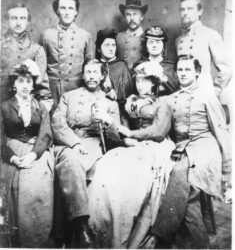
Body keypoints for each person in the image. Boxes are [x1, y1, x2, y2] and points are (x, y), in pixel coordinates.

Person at [138, 55, 231, 249]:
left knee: (179, 172)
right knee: (188, 192)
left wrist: (227, 170)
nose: (183, 73)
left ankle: (158, 236)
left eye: (187, 70)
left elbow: (221, 132)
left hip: (205, 148)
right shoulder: (171, 99)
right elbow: (151, 114)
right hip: (181, 149)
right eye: (180, 70)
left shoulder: (207, 96)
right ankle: (201, 244)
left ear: (197, 72)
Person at [88, 60, 175, 248]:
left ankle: (125, 232)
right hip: (134, 146)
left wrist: (131, 134)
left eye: (145, 81)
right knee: (108, 164)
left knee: (135, 178)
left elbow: (159, 132)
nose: (140, 85)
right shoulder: (131, 101)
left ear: (153, 83)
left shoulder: (163, 104)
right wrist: (126, 137)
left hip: (156, 147)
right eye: (138, 80)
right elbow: (123, 130)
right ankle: (103, 227)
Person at [51, 59, 122, 248]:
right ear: (83, 75)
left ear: (102, 76)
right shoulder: (69, 96)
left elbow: (116, 139)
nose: (91, 76)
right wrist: (74, 143)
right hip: (68, 143)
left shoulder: (109, 103)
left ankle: (71, 234)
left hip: (94, 145)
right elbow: (57, 124)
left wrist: (107, 122)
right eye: (88, 72)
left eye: (95, 73)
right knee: (71, 162)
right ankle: (81, 226)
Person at [0, 64, 54, 247]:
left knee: (39, 183)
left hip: (36, 150)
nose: (24, 85)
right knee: (12, 183)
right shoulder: (4, 107)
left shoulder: (40, 107)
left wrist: (33, 155)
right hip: (11, 150)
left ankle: (37, 240)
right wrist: (13, 157)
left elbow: (45, 134)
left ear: (33, 85)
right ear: (14, 84)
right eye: (20, 81)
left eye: (28, 82)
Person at [41, 0, 94, 110]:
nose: (67, 12)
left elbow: (91, 67)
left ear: (76, 12)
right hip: (53, 90)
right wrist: (45, 93)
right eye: (63, 8)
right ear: (57, 11)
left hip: (77, 89)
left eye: (71, 8)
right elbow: (41, 68)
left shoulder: (85, 36)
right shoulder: (46, 35)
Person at [175, 0, 232, 97]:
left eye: (190, 9)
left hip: (204, 95)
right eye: (182, 9)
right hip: (183, 96)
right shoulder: (179, 40)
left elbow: (226, 70)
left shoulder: (211, 35)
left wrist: (214, 93)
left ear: (199, 11)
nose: (185, 12)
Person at [1, 3, 53, 110]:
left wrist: (38, 112)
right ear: (7, 21)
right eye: (14, 18)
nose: (19, 23)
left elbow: (42, 89)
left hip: (28, 108)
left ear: (28, 21)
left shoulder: (37, 50)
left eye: (23, 18)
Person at [95, 28, 133, 124]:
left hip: (120, 112)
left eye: (113, 45)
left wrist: (116, 95)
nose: (111, 48)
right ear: (99, 48)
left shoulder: (122, 66)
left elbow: (128, 90)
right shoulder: (95, 66)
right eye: (107, 45)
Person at [133, 26, 179, 96]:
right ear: (146, 46)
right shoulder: (138, 65)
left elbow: (176, 91)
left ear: (163, 46)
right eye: (150, 42)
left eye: (158, 42)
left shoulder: (171, 68)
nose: (154, 45)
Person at [116, 0, 148, 69]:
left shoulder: (149, 38)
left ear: (142, 17)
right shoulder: (117, 38)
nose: (132, 18)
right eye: (128, 14)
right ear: (124, 17)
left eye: (135, 14)